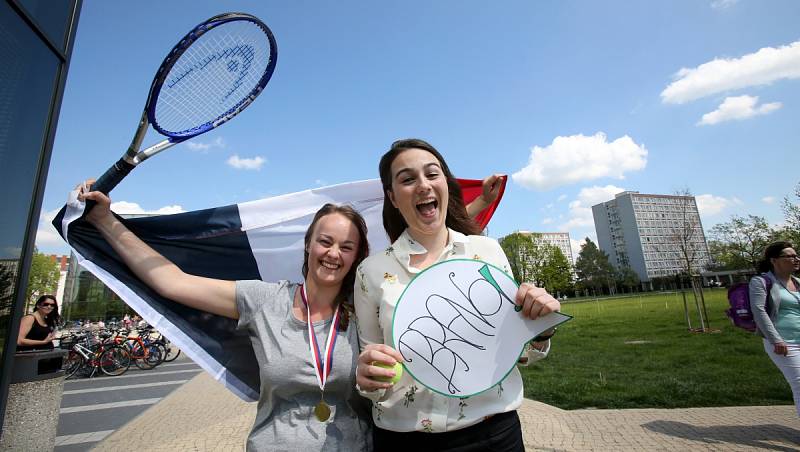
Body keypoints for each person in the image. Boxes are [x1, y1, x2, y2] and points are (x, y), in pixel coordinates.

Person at [78, 183, 374, 451]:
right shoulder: (264, 300)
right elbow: (172, 282)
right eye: (326, 241)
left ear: (356, 257)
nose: (334, 253)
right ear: (308, 243)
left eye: (346, 247)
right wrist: (104, 220)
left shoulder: (366, 310)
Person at [353, 139, 561, 451]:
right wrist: (368, 378)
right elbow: (371, 375)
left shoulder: (486, 251)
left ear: (447, 186)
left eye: (432, 174)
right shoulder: (370, 272)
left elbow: (516, 352)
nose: (423, 185)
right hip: (402, 441)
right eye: (408, 179)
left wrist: (541, 330)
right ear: (393, 197)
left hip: (494, 437)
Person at [750, 241, 800, 416]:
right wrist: (776, 339)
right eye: (790, 256)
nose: (796, 259)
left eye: (796, 255)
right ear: (774, 260)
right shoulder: (761, 282)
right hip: (784, 342)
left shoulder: (798, 282)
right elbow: (759, 311)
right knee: (799, 384)